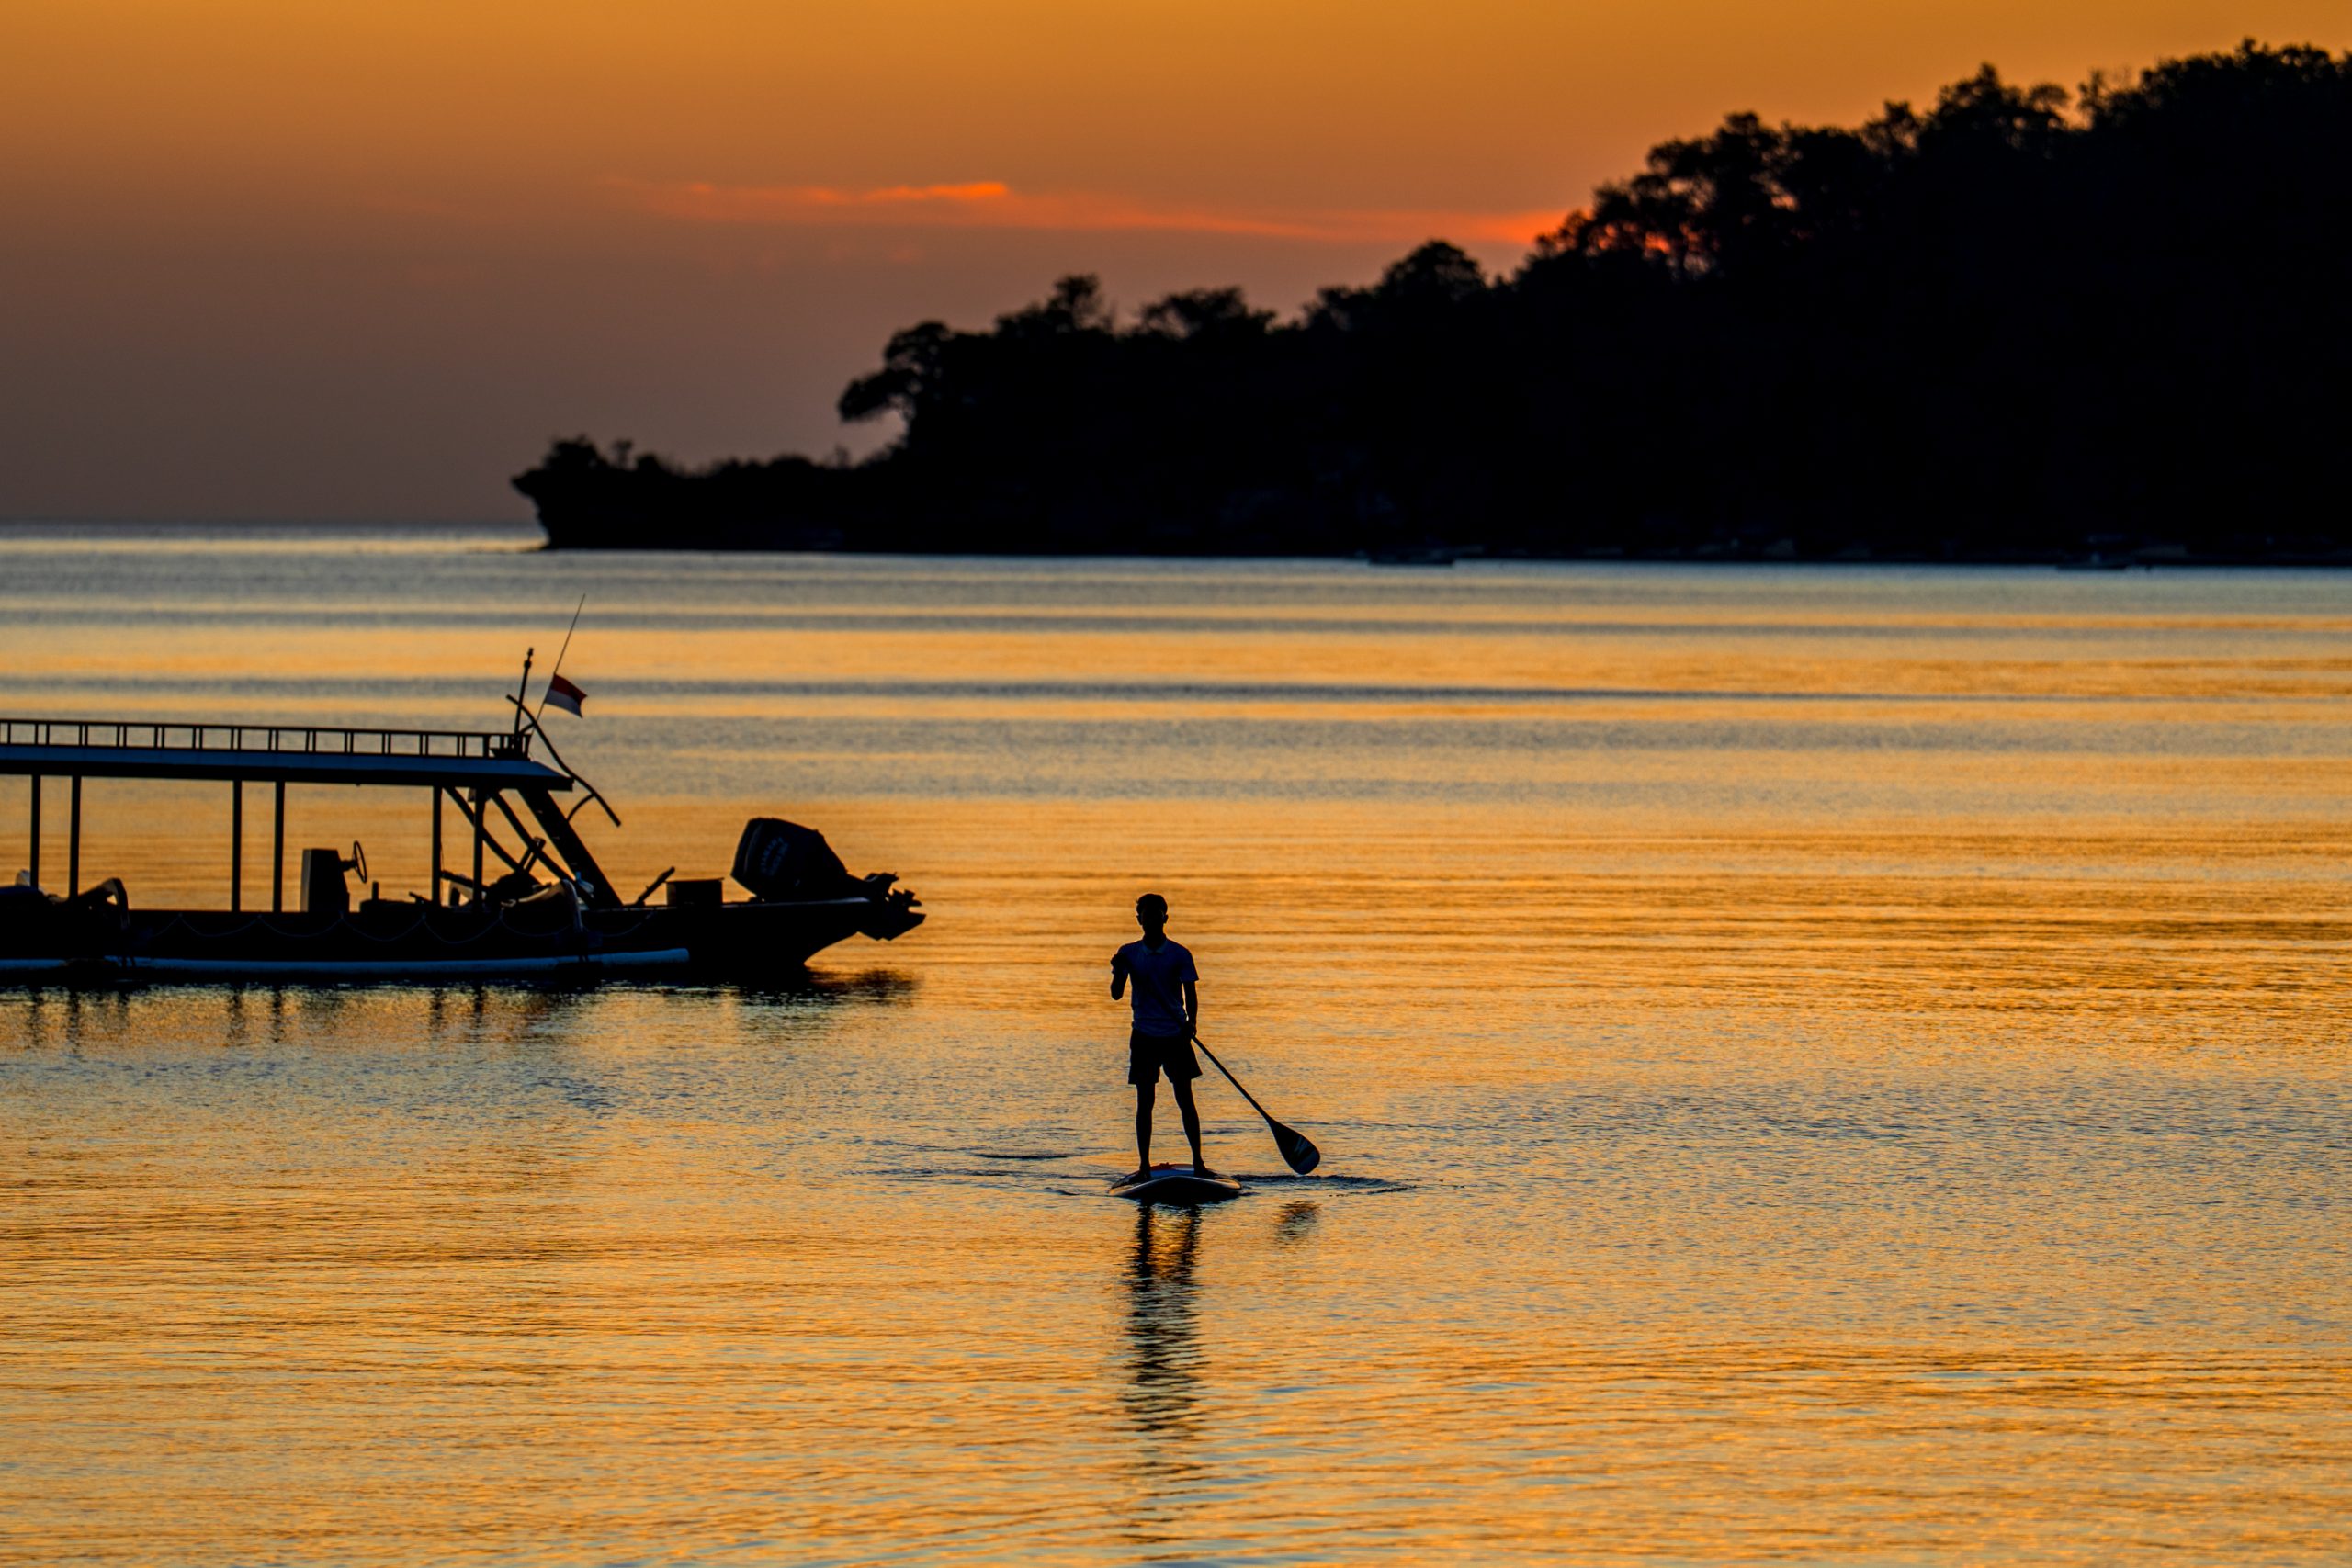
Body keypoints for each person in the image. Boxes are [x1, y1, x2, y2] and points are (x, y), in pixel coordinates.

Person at [1111, 892, 1215, 1182]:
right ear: (1139, 919)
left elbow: (1190, 993)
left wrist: (1191, 1022)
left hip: (1175, 1035)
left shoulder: (1179, 954)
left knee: (1185, 1099)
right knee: (1145, 1102)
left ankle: (1198, 1163)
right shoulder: (1128, 953)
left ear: (1165, 918)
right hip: (1143, 1035)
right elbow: (1116, 994)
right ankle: (1144, 1166)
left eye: (1157, 914)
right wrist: (1119, 971)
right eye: (1146, 915)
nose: (1152, 919)